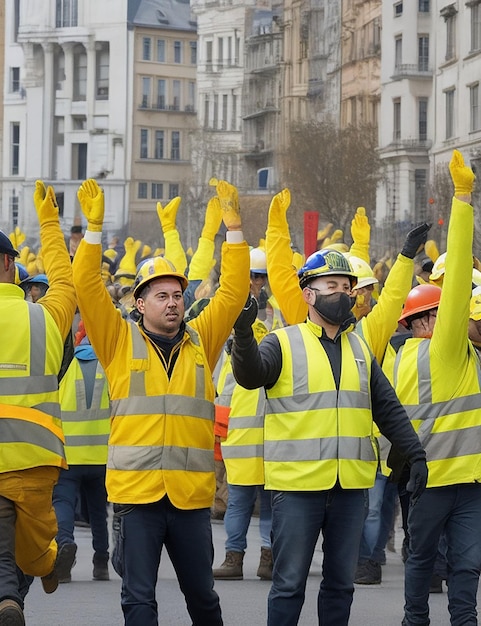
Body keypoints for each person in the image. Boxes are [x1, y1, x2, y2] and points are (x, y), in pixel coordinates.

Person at [71, 178, 250, 625]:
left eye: (177, 296)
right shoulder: (117, 340)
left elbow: (233, 292)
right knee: (138, 600)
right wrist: (93, 230)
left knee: (204, 601)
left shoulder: (201, 340)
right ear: (140, 302)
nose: (172, 304)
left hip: (189, 501)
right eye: (162, 296)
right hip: (137, 500)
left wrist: (234, 229)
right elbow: (87, 288)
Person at [230, 248, 427, 626]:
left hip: (350, 490)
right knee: (289, 585)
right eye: (332, 285)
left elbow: (386, 406)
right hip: (297, 490)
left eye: (347, 287)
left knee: (340, 586)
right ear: (308, 294)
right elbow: (250, 375)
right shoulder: (282, 342)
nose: (343, 293)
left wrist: (415, 454)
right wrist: (242, 333)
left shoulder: (359, 348)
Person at [383, 150, 481, 626]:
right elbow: (459, 270)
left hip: (437, 482)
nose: (455, 317)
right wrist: (463, 200)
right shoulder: (445, 350)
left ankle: (417, 620)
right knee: (456, 564)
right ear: (423, 322)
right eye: (443, 312)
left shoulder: (402, 354)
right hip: (447, 483)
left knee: (427, 560)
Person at [0, 182, 77, 625]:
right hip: (36, 457)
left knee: (2, 547)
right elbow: (65, 281)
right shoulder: (44, 315)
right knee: (30, 544)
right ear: (11, 265)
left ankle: (13, 593)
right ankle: (42, 569)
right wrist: (50, 222)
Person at [213, 247, 274, 582]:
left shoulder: (231, 326)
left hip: (243, 435)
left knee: (241, 504)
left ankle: (235, 560)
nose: (256, 282)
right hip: (261, 436)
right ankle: (262, 559)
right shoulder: (266, 327)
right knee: (261, 504)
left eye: (259, 276)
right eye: (254, 276)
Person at [52, 322, 111, 583]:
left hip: (69, 456)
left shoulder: (65, 369)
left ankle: (64, 544)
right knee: (99, 511)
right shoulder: (109, 369)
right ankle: (101, 563)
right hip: (101, 457)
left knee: (63, 503)